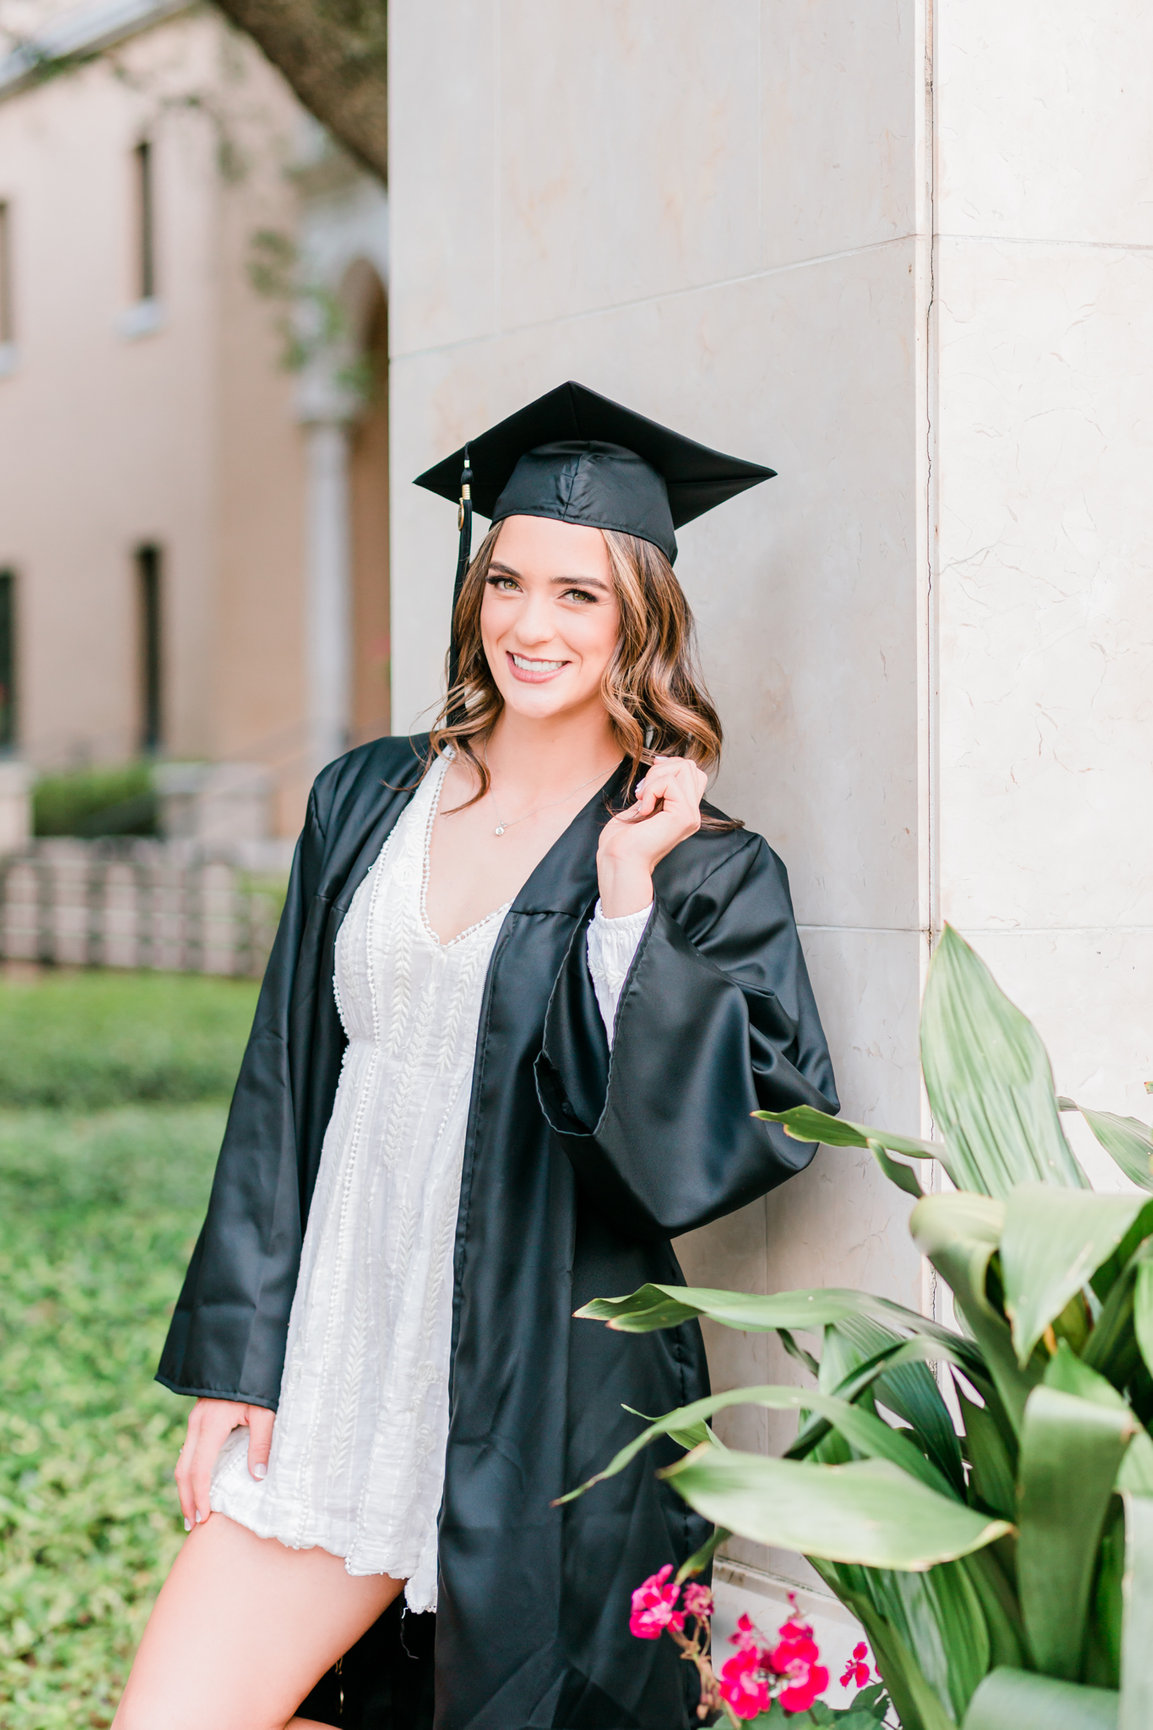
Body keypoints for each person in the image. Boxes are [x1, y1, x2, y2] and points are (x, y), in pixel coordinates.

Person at [114, 382, 839, 1730]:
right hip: (338, 1354)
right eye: (507, 581)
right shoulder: (365, 797)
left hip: (539, 1391)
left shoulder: (700, 864)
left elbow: (704, 1152)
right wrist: (240, 1352)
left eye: (578, 593)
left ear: (640, 615)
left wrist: (626, 898)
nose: (529, 622)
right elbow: (285, 1083)